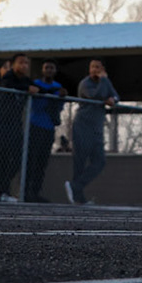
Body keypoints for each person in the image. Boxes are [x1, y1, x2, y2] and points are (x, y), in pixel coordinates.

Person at [67, 58, 118, 204]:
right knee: (80, 161)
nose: (95, 69)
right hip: (83, 126)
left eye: (98, 67)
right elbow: (95, 95)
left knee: (100, 161)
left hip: (96, 128)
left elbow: (116, 95)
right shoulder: (85, 83)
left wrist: (113, 99)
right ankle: (78, 197)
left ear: (102, 69)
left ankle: (75, 187)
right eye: (92, 67)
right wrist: (104, 84)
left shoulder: (105, 82)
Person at [0, 54, 34, 202]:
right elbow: (8, 85)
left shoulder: (26, 80)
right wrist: (27, 89)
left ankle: (3, 191)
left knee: (14, 158)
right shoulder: (8, 78)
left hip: (14, 125)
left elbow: (38, 88)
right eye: (21, 63)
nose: (24, 66)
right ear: (13, 65)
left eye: (26, 63)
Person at [25, 61, 63, 202]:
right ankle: (25, 191)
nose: (49, 70)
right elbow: (35, 104)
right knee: (31, 160)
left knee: (42, 162)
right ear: (42, 70)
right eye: (46, 67)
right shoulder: (36, 84)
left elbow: (59, 107)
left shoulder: (58, 87)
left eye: (51, 68)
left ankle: (35, 193)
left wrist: (60, 97)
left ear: (55, 70)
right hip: (35, 125)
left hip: (48, 127)